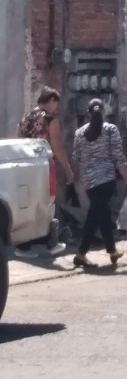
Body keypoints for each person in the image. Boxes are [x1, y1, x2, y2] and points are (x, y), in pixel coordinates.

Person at [71, 99, 127, 268]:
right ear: (104, 112)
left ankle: (112, 251)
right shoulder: (110, 130)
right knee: (94, 215)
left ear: (88, 113)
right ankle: (81, 253)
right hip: (106, 180)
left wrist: (81, 176)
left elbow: (76, 159)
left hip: (89, 183)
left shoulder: (79, 133)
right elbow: (119, 159)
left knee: (103, 212)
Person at [14, 86, 72, 258]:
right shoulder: (50, 119)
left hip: (26, 167)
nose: (56, 108)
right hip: (44, 167)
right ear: (52, 100)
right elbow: (57, 147)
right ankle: (50, 243)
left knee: (29, 204)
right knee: (47, 203)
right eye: (56, 103)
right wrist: (68, 170)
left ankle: (24, 246)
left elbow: (18, 142)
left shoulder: (24, 118)